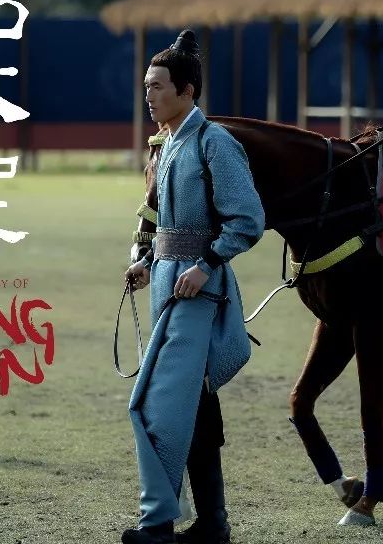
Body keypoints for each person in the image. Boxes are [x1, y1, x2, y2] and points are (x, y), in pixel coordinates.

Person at [121, 30, 265, 544]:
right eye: (146, 86)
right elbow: (153, 218)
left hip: (199, 293)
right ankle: (213, 526)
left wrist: (205, 265)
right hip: (164, 283)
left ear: (187, 91)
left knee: (154, 402)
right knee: (194, 405)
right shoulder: (163, 144)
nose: (149, 96)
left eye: (158, 86)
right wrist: (142, 260)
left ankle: (156, 525)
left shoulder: (215, 142)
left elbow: (247, 220)